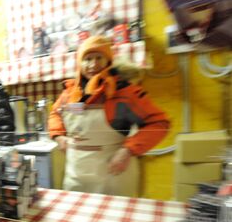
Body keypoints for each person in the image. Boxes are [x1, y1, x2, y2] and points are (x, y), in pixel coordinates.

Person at [48, 36, 170, 197]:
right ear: (80, 63)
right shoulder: (69, 94)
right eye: (87, 59)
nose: (93, 64)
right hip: (76, 175)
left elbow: (158, 123)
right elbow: (56, 114)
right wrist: (58, 136)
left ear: (108, 61)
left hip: (113, 174)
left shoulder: (125, 92)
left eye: (99, 58)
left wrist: (128, 151)